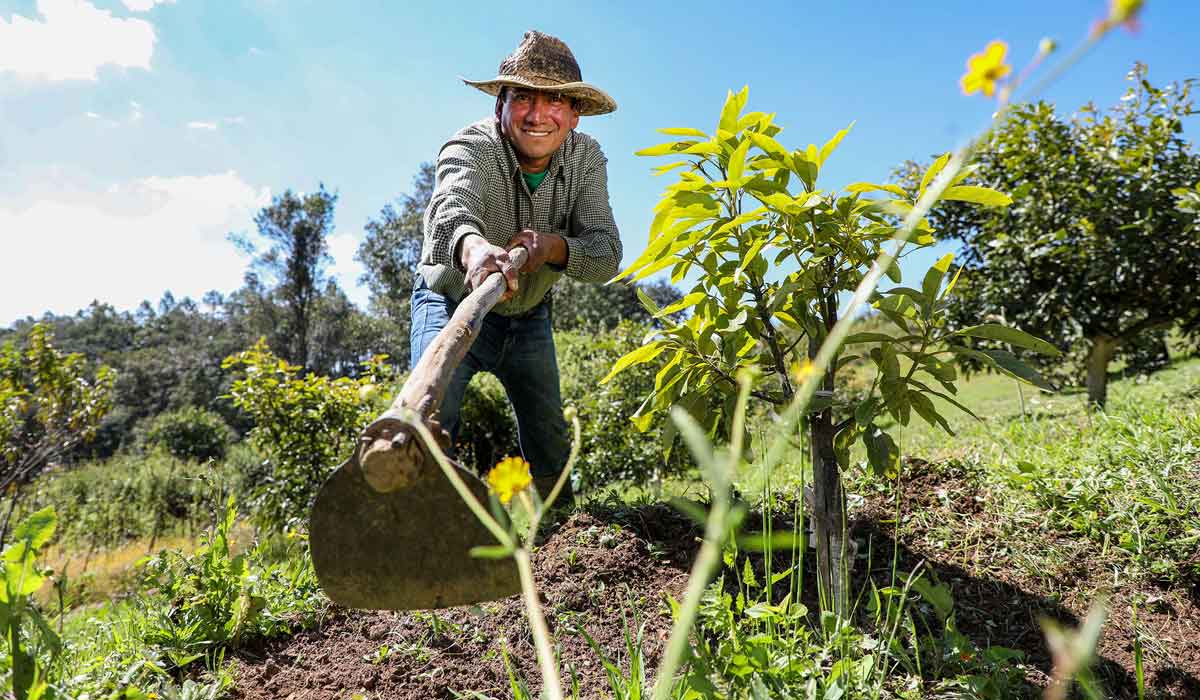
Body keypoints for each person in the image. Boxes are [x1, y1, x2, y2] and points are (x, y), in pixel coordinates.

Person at [411, 30, 621, 502]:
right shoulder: (471, 148)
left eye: (555, 101)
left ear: (575, 114)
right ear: (500, 104)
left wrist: (551, 248)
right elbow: (449, 213)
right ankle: (425, 527)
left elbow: (605, 253)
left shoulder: (586, 160)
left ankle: (562, 536)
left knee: (549, 440)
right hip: (451, 303)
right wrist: (474, 251)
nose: (537, 115)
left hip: (528, 316)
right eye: (523, 97)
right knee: (430, 416)